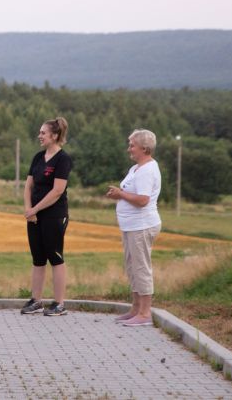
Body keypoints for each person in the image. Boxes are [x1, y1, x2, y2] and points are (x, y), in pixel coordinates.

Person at [106, 129, 162, 327]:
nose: (129, 148)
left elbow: (143, 200)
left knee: (141, 268)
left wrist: (120, 194)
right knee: (132, 267)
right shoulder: (136, 168)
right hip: (131, 226)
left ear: (144, 148)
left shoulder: (147, 170)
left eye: (132, 145)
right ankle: (136, 308)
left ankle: (145, 313)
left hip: (142, 225)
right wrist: (119, 194)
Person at [20, 117, 72, 316]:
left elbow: (57, 191)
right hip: (34, 216)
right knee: (38, 258)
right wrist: (29, 210)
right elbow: (28, 186)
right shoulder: (38, 157)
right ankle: (36, 300)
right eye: (40, 132)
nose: (39, 136)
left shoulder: (63, 159)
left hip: (54, 215)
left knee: (55, 257)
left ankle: (59, 304)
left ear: (55, 135)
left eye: (43, 133)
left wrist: (35, 209)